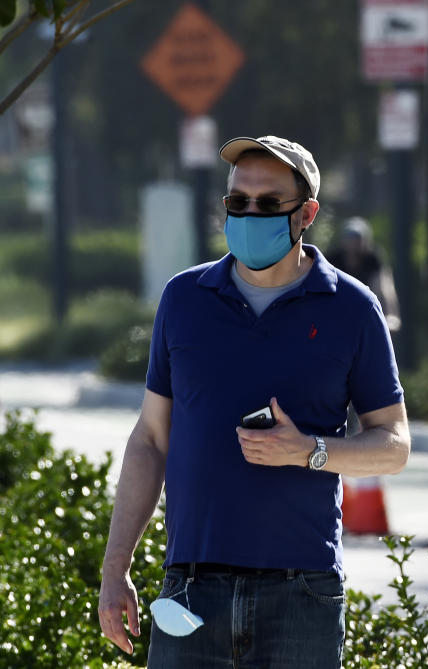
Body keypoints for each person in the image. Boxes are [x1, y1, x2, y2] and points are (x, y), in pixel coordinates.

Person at [98, 135, 410, 668]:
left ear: (306, 213)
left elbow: (394, 445)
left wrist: (308, 450)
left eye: (268, 204)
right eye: (237, 203)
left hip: (302, 593)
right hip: (191, 589)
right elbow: (151, 439)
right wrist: (114, 570)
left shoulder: (353, 308)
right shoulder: (184, 299)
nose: (249, 214)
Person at [325, 217, 401, 332]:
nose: (353, 243)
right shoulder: (332, 260)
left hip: (366, 312)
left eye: (357, 238)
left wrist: (391, 315)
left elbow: (385, 289)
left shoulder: (373, 260)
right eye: (350, 238)